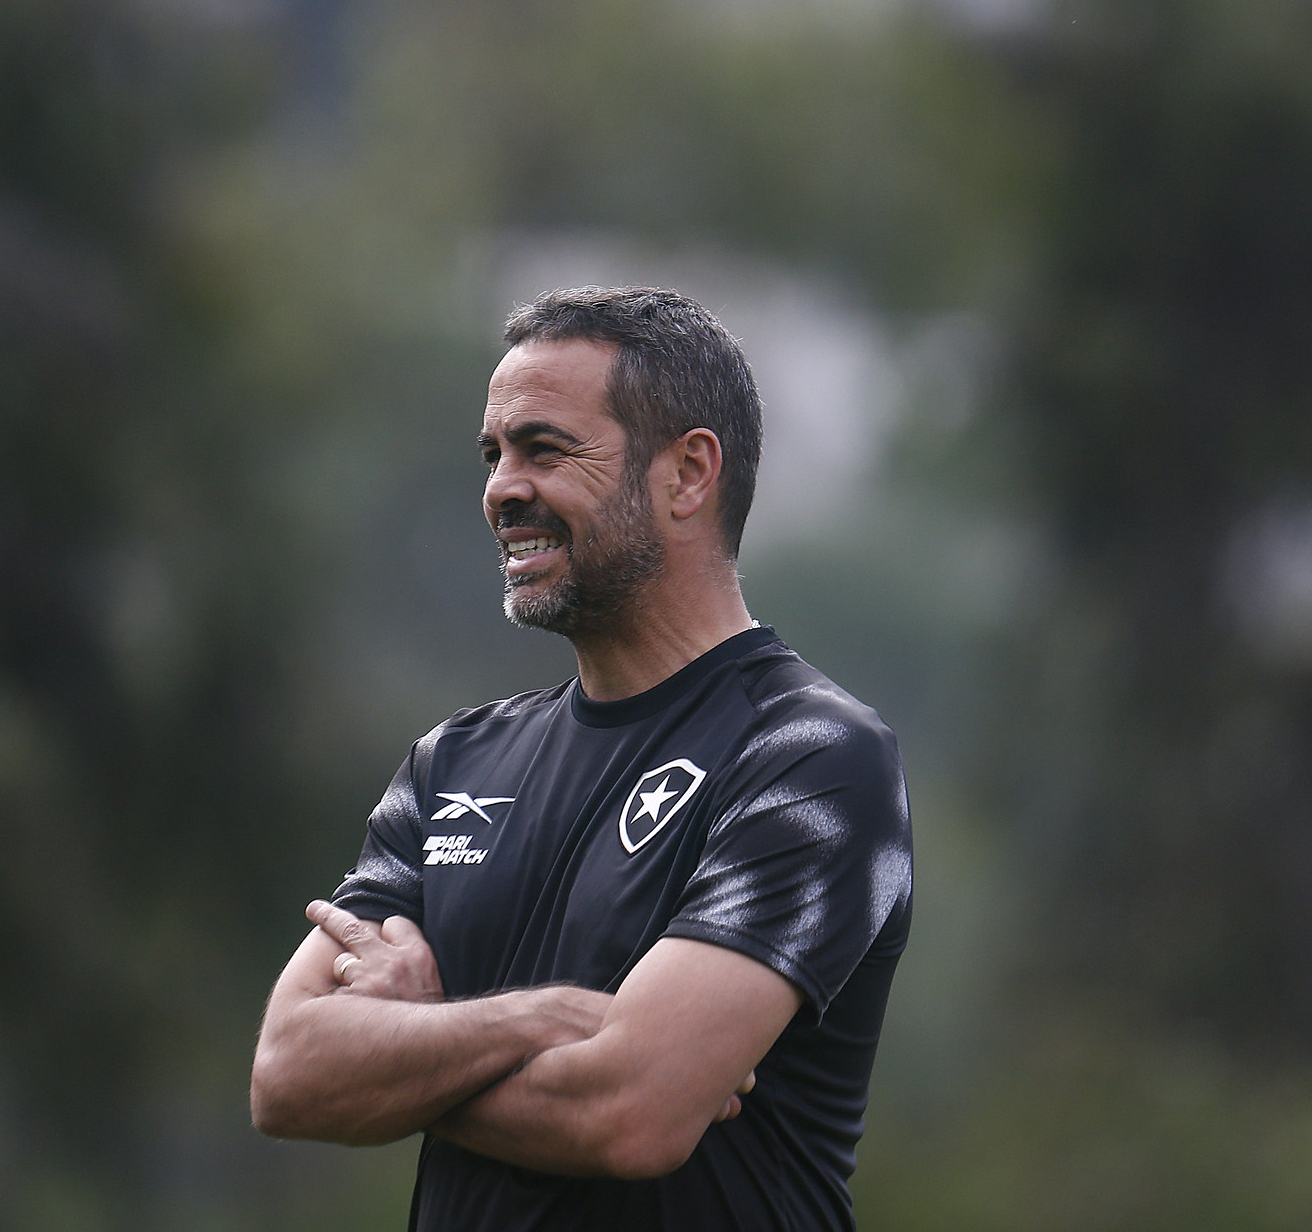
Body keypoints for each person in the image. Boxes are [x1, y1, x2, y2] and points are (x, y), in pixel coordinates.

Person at [250, 286, 913, 1230]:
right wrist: (537, 1019)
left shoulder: (809, 756)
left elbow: (629, 1113)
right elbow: (287, 1073)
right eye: (494, 454)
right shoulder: (453, 763)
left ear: (687, 474)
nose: (502, 488)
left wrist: (408, 1048)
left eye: (545, 449)